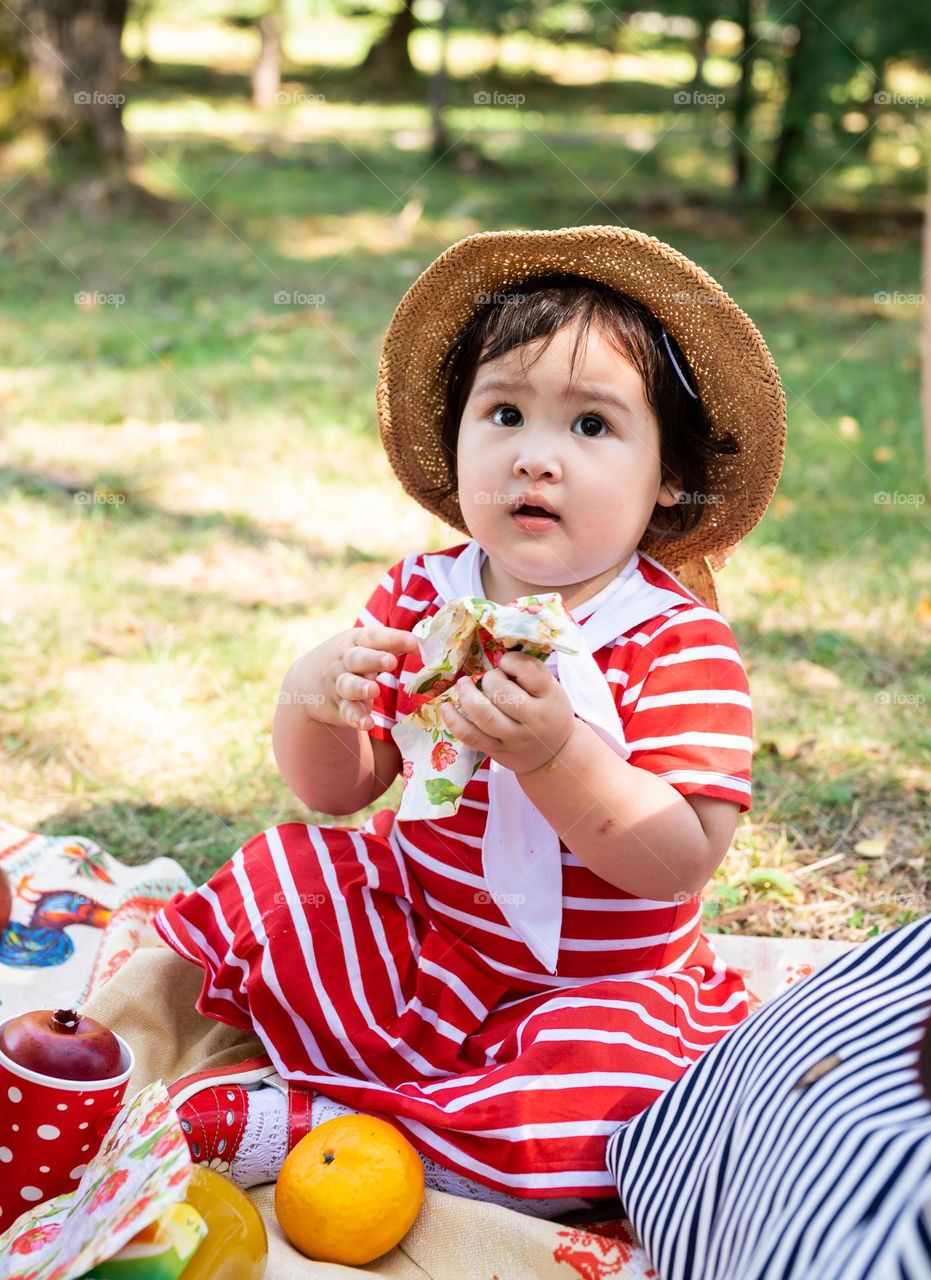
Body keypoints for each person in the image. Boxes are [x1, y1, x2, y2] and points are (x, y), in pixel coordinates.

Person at [154, 225, 787, 1216]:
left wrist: (557, 754)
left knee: (617, 1099)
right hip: (429, 941)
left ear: (668, 474)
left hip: (593, 993)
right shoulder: (420, 595)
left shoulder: (672, 641)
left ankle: (327, 1123)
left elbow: (678, 858)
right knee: (284, 878)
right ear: (457, 446)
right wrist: (316, 693)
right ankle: (414, 1095)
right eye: (504, 413)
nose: (537, 457)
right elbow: (337, 790)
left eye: (590, 426)